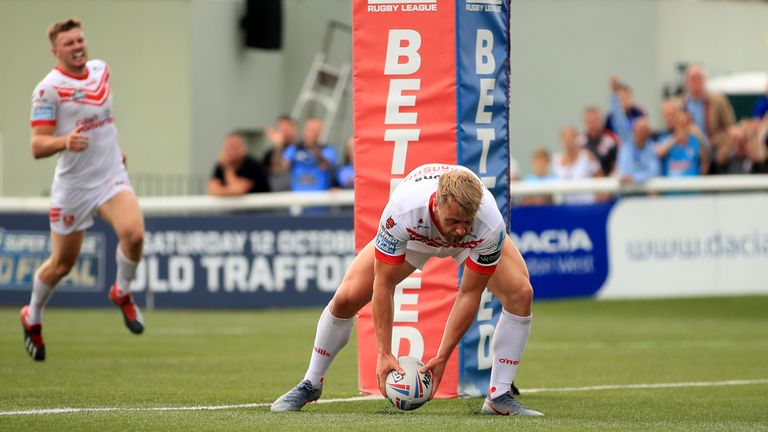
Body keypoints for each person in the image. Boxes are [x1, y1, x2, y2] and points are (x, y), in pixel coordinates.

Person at [271, 164, 542, 416]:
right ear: (438, 204)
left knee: (520, 293)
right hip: (415, 238)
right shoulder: (402, 212)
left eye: (466, 222)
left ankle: (499, 396)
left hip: (473, 244)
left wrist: (442, 357)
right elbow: (384, 284)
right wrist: (384, 353)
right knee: (345, 298)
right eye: (454, 221)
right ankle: (311, 382)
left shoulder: (487, 223)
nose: (460, 230)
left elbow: (469, 293)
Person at [22, 18, 146, 361]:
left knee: (134, 235)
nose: (77, 46)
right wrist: (65, 141)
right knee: (62, 265)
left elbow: (105, 116)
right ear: (56, 51)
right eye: (68, 43)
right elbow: (37, 146)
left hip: (109, 176)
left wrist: (114, 146)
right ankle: (32, 316)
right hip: (74, 186)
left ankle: (121, 291)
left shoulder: (100, 71)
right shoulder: (48, 89)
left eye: (79, 40)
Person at [681, 65, 735, 172]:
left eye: (699, 78)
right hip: (690, 154)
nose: (696, 81)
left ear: (705, 80)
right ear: (686, 81)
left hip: (715, 151)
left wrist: (720, 143)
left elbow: (730, 127)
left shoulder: (718, 101)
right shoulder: (682, 104)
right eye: (693, 78)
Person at [610, 77, 660, 184]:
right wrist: (614, 95)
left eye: (645, 131)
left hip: (640, 195)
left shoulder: (651, 148)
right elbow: (619, 118)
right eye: (639, 129)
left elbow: (653, 171)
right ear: (633, 130)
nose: (641, 133)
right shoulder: (627, 142)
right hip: (622, 193)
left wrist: (634, 178)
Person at [283, 118, 337, 191]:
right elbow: (283, 168)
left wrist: (313, 147)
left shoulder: (327, 150)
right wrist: (279, 145)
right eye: (309, 130)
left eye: (314, 130)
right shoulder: (293, 149)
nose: (311, 133)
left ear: (320, 132)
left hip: (319, 198)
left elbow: (325, 166)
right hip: (297, 198)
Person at [552, 126, 603, 204]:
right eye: (565, 138)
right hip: (564, 207)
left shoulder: (587, 157)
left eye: (571, 137)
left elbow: (601, 178)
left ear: (577, 139)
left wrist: (599, 198)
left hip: (586, 205)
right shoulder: (556, 160)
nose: (568, 141)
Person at [655, 110, 710, 177]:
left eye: (685, 124)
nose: (682, 127)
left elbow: (706, 160)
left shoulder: (695, 141)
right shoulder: (667, 139)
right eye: (680, 123)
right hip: (672, 185)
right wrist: (675, 138)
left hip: (692, 184)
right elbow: (659, 153)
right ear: (675, 124)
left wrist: (698, 134)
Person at [576, 106, 619, 175]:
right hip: (583, 182)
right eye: (589, 122)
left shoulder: (610, 141)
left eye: (594, 121)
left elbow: (617, 165)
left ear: (600, 121)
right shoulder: (579, 142)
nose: (592, 125)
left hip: (605, 181)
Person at [263, 114, 297, 192]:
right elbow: (278, 170)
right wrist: (278, 147)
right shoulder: (270, 154)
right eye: (281, 129)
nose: (284, 132)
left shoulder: (301, 149)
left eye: (287, 128)